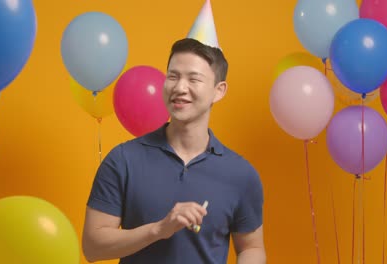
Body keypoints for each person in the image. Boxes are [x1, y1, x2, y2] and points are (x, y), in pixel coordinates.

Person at [82, 38, 265, 263]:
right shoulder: (123, 160)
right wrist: (159, 229)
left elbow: (251, 248)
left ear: (219, 91)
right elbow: (92, 248)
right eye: (173, 76)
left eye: (194, 79)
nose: (179, 88)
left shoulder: (241, 175)